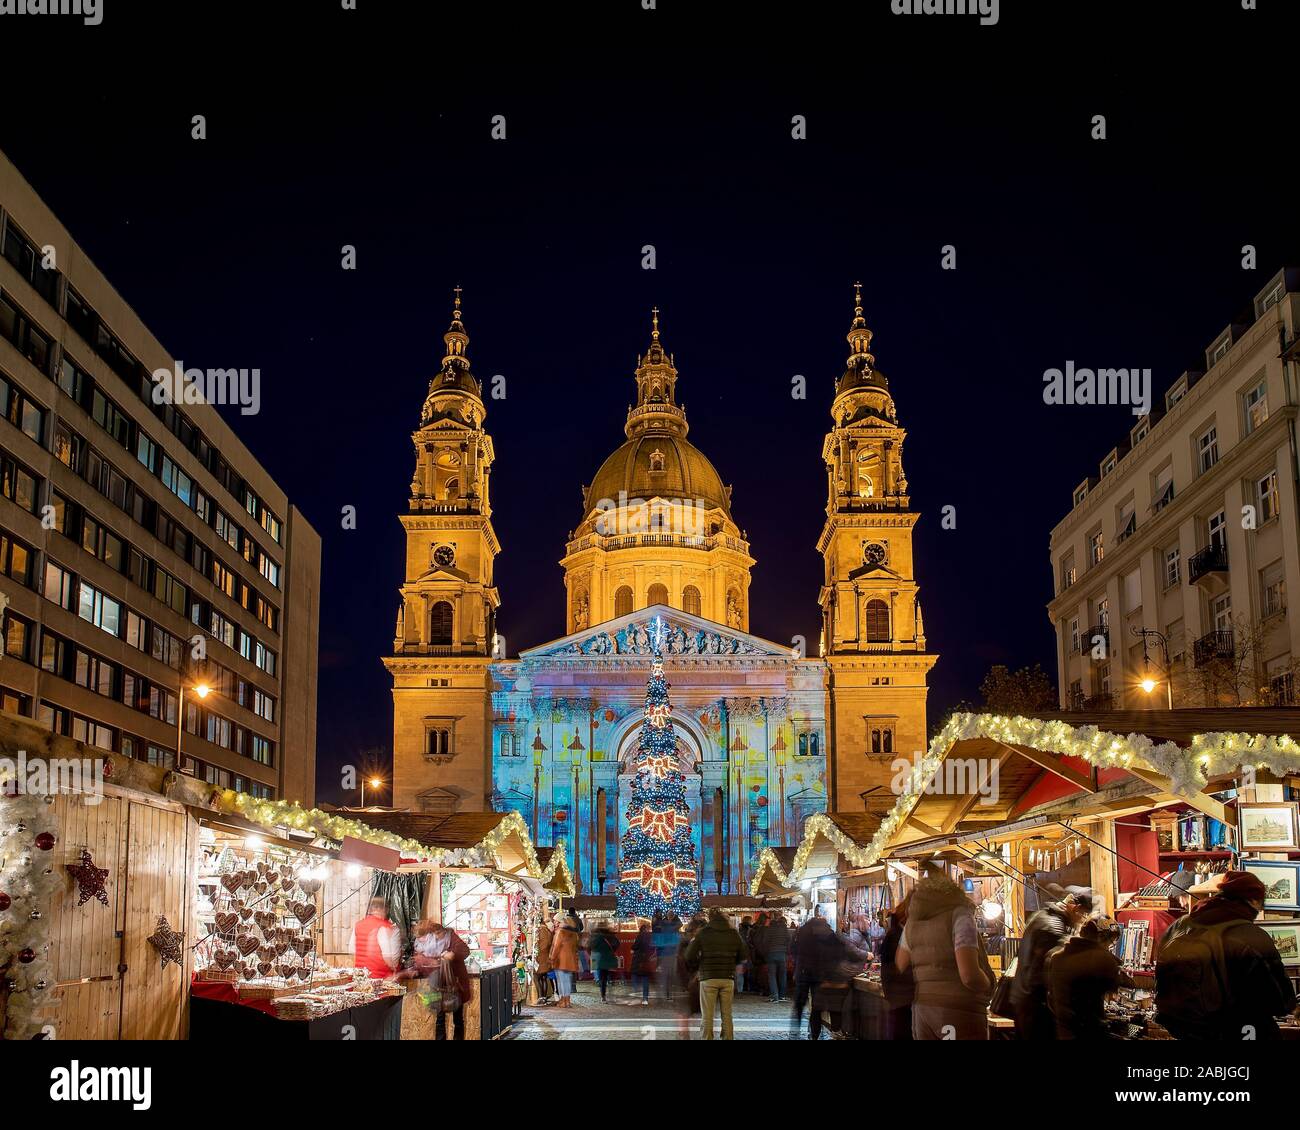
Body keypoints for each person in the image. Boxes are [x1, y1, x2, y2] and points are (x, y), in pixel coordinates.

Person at [1156, 871, 1298, 1041]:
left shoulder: (1179, 925)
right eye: (1260, 903)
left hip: (1184, 1030)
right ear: (1253, 900)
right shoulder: (1250, 935)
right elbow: (1281, 1000)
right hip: (1236, 1031)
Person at [895, 862, 993, 1040]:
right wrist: (988, 984)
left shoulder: (912, 923)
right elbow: (969, 975)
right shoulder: (960, 915)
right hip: (957, 1012)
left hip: (922, 1011)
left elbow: (900, 963)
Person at [1010, 887, 1093, 1040]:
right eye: (1084, 914)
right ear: (1076, 908)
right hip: (1037, 1004)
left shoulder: (1042, 916)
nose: (1082, 920)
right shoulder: (1053, 927)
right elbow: (1053, 971)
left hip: (1025, 999)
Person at [1045, 917, 1130, 1040]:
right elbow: (1120, 983)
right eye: (1111, 942)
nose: (1110, 947)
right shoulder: (1102, 958)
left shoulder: (1056, 957)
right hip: (1090, 1031)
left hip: (1064, 1031)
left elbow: (1050, 997)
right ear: (1101, 937)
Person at [790, 912, 857, 1038]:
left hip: (805, 972)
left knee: (807, 1006)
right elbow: (843, 952)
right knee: (826, 1007)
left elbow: (793, 950)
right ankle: (833, 1032)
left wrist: (797, 968)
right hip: (823, 976)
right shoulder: (830, 935)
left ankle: (803, 1033)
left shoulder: (802, 932)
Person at [685, 908, 749, 1039]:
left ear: (710, 918)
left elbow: (689, 955)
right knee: (727, 1014)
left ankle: (707, 1037)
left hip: (708, 977)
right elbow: (743, 954)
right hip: (728, 977)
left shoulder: (703, 933)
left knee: (707, 1015)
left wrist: (699, 962)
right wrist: (732, 962)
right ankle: (728, 1037)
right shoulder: (733, 933)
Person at [411, 919, 472, 1040]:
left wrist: (452, 954)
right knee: (439, 1019)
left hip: (455, 984)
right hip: (437, 986)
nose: (437, 936)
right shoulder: (425, 944)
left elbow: (465, 950)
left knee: (458, 1019)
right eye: (434, 934)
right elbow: (421, 961)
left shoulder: (451, 937)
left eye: (439, 933)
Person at [879, 894, 915, 1040]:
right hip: (903, 1001)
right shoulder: (897, 935)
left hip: (900, 1001)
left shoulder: (894, 933)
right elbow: (898, 968)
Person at [348, 896, 401, 979]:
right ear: (383, 909)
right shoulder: (385, 927)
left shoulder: (358, 925)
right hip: (380, 978)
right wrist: (395, 969)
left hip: (360, 976)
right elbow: (389, 957)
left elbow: (351, 949)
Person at [549, 910, 582, 1008]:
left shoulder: (560, 932)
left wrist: (552, 958)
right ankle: (567, 1001)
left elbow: (556, 946)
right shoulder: (574, 933)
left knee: (561, 981)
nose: (554, 923)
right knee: (567, 981)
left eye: (555, 921)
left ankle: (563, 1001)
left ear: (559, 922)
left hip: (561, 960)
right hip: (570, 960)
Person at [761, 913, 791, 1002]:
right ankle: (782, 995)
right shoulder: (784, 928)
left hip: (771, 953)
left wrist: (766, 951)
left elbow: (765, 941)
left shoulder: (769, 929)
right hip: (782, 953)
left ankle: (774, 996)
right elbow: (789, 939)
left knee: (772, 975)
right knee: (783, 974)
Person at [590, 919, 621, 1002]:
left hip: (601, 961)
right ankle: (611, 994)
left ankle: (603, 996)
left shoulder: (597, 936)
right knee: (610, 977)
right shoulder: (611, 935)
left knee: (603, 980)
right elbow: (617, 943)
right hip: (611, 959)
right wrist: (612, 950)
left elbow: (592, 946)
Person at [630, 921, 657, 1005]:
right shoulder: (651, 937)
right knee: (645, 978)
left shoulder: (640, 936)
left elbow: (635, 946)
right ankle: (645, 998)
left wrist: (633, 949)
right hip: (647, 959)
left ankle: (636, 990)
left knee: (635, 974)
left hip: (638, 959)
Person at [534, 911, 556, 1005]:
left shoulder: (542, 930)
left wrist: (537, 949)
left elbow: (543, 945)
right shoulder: (547, 930)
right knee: (543, 977)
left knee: (538, 977)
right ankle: (543, 997)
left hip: (541, 957)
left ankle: (541, 997)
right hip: (545, 957)